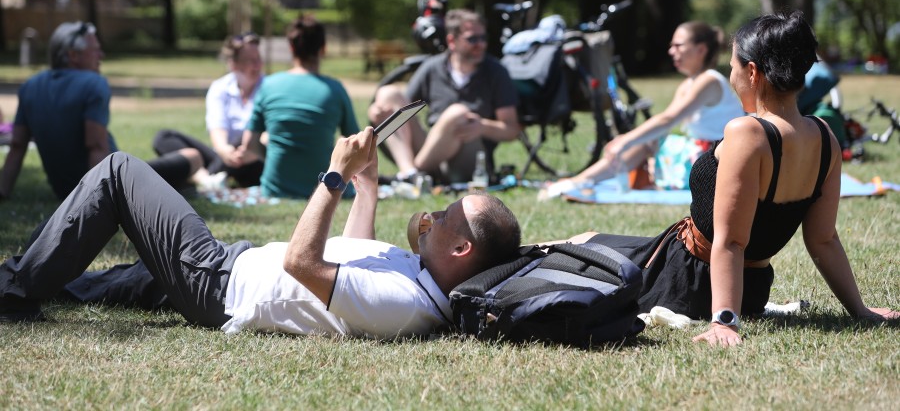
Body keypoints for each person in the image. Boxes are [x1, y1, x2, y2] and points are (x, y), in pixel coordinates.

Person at [561, 10, 897, 346]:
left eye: (733, 67)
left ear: (752, 72)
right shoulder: (826, 138)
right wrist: (861, 311)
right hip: (750, 287)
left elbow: (733, 240)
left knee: (576, 247)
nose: (730, 75)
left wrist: (725, 321)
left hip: (685, 279)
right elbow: (823, 240)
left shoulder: (747, 132)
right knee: (587, 240)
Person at [0, 127, 523, 340]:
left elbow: (304, 264)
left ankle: (16, 292)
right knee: (120, 282)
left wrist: (335, 178)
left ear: (461, 247)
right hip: (233, 264)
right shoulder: (421, 280)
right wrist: (367, 192)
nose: (437, 210)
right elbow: (351, 256)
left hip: (217, 281)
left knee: (118, 173)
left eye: (449, 212)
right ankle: (28, 279)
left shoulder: (404, 304)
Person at [0, 22, 203, 201]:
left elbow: (17, 145)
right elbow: (96, 146)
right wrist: (98, 201)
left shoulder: (31, 86)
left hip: (63, 191)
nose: (101, 55)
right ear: (73, 55)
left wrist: (3, 191)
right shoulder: (93, 83)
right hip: (111, 183)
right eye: (95, 50)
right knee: (193, 156)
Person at [543, 20, 744, 197]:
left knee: (644, 143)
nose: (671, 51)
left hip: (716, 162)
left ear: (701, 49)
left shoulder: (709, 81)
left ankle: (580, 181)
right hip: (705, 155)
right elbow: (665, 123)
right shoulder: (690, 83)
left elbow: (667, 119)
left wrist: (625, 141)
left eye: (678, 45)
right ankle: (582, 180)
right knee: (648, 141)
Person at [368, 9, 520, 183]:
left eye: (483, 38)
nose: (481, 44)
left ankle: (412, 175)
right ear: (451, 41)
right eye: (472, 39)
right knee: (388, 94)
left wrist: (482, 126)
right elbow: (403, 114)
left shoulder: (496, 72)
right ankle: (409, 172)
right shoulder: (432, 68)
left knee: (457, 113)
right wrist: (379, 112)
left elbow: (512, 130)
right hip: (431, 152)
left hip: (469, 159)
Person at [241, 15, 359, 199]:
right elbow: (356, 143)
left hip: (275, 190)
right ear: (323, 49)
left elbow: (249, 144)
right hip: (328, 189)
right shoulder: (335, 89)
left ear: (291, 47)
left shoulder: (269, 86)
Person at [150, 31, 265, 190]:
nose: (257, 65)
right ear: (233, 64)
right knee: (164, 137)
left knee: (248, 137)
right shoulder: (220, 88)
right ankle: (206, 178)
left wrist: (249, 151)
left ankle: (204, 176)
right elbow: (218, 132)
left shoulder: (269, 89)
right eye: (250, 61)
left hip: (255, 159)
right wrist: (225, 151)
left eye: (258, 59)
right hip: (223, 155)